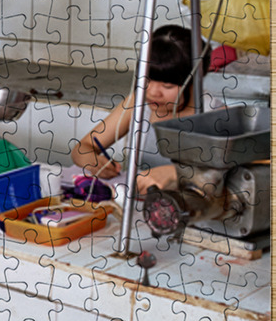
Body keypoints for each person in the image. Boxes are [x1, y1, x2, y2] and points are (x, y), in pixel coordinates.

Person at [71, 25, 205, 194]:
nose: (154, 92)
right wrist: (92, 161)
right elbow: (83, 147)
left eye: (167, 85)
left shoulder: (214, 113)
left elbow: (237, 176)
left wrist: (176, 174)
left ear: (194, 82)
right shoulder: (138, 102)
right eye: (146, 81)